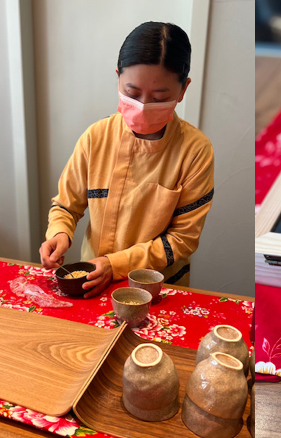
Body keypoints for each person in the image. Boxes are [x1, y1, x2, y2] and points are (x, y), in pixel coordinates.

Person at [39, 22, 214, 298]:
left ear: (183, 90)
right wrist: (59, 233)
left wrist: (115, 265)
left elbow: (182, 239)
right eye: (132, 94)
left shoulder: (195, 151)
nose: (143, 107)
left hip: (158, 289)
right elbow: (65, 205)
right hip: (91, 284)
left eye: (159, 97)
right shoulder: (96, 138)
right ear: (118, 78)